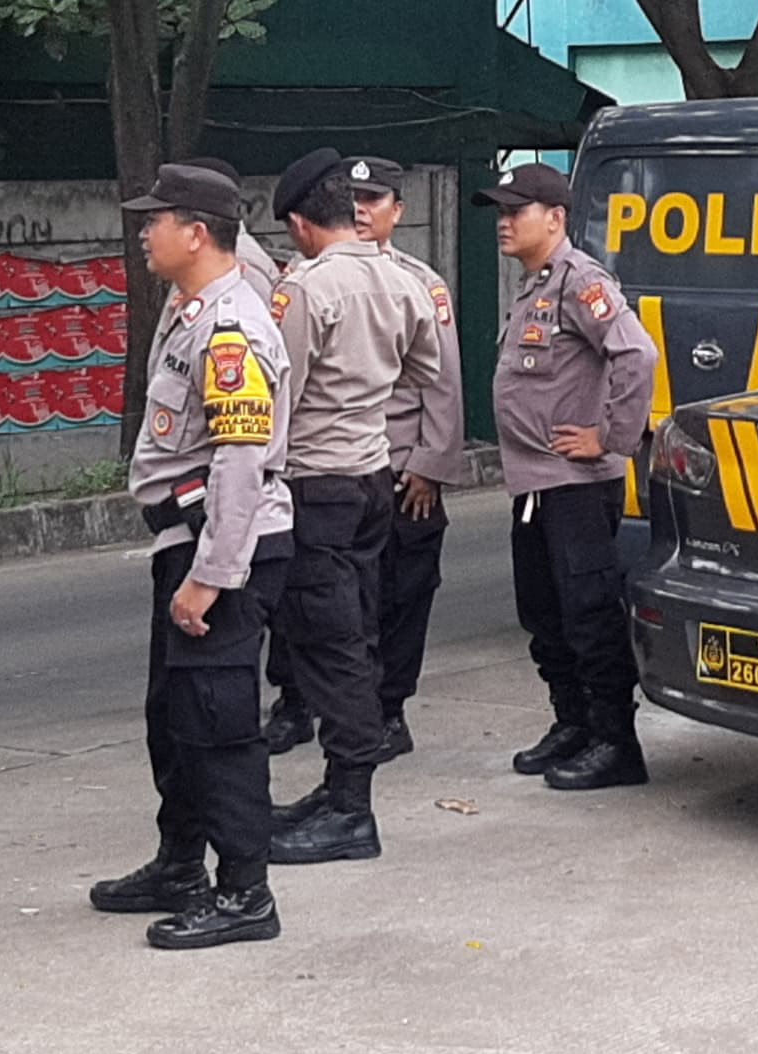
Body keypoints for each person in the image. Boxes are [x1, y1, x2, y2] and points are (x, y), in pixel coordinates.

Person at [94, 159, 295, 949]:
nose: (144, 232)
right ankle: (181, 861)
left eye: (156, 220)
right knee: (173, 718)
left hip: (224, 548)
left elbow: (243, 461)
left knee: (219, 725)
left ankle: (245, 891)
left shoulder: (232, 329)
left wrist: (211, 579)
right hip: (189, 539)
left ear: (197, 232)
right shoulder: (188, 309)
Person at [263, 148, 447, 865]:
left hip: (317, 481)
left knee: (330, 642)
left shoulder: (308, 289)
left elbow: (281, 389)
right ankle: (339, 790)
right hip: (373, 470)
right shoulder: (404, 281)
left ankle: (350, 806)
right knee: (357, 633)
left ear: (304, 223)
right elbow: (427, 370)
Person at [482, 160, 660, 790]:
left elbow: (636, 353)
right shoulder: (534, 284)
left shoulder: (580, 281)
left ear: (554, 219)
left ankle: (615, 741)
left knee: (589, 612)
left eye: (515, 212)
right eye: (500, 213)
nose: (503, 224)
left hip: (576, 484)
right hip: (535, 483)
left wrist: (610, 437)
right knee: (544, 611)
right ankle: (573, 723)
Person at [346, 157, 468, 757]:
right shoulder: (314, 276)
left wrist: (430, 465)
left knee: (401, 596)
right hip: (336, 470)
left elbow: (442, 383)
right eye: (353, 199)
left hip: (399, 470)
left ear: (399, 211)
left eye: (374, 200)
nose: (362, 211)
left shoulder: (422, 284)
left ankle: (389, 711)